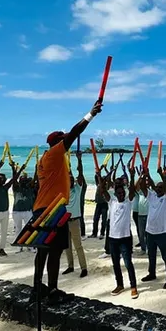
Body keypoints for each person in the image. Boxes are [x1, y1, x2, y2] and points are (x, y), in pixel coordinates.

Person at [32, 102, 102, 302]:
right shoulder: (54, 154)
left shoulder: (44, 160)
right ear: (57, 143)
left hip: (42, 207)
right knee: (54, 252)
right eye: (62, 140)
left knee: (43, 251)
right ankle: (52, 290)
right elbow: (74, 132)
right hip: (52, 209)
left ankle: (39, 287)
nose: (66, 142)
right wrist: (90, 115)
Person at [100, 168, 140, 299]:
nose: (121, 195)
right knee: (115, 264)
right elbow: (103, 190)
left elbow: (133, 190)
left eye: (123, 193)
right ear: (115, 194)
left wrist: (132, 176)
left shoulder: (128, 202)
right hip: (113, 238)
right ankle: (120, 285)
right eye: (119, 193)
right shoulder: (112, 202)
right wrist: (102, 178)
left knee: (128, 263)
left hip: (125, 238)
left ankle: (133, 286)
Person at [140, 166, 166, 289]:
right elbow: (143, 187)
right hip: (150, 231)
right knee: (151, 255)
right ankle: (152, 274)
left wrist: (162, 175)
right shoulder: (152, 195)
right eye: (158, 187)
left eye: (161, 187)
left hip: (162, 232)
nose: (159, 189)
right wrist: (144, 175)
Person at [0, 160, 23, 257]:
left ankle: (2, 249)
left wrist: (16, 169)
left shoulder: (5, 187)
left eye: (3, 178)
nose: (1, 180)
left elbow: (14, 178)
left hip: (5, 212)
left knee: (4, 232)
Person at [62, 154, 88, 277]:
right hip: (64, 221)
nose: (71, 181)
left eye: (73, 180)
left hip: (74, 221)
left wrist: (79, 160)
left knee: (78, 246)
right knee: (67, 246)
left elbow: (80, 174)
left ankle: (84, 268)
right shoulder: (64, 191)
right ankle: (70, 266)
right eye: (69, 180)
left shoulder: (77, 189)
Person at [12, 173, 36, 253]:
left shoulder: (30, 188)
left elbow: (34, 179)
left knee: (30, 229)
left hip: (27, 211)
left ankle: (30, 245)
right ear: (19, 181)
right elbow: (14, 179)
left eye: (25, 180)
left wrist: (37, 170)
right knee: (18, 229)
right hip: (17, 211)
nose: (23, 182)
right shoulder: (16, 188)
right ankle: (19, 246)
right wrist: (14, 170)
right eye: (22, 180)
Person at [92, 173, 109, 240]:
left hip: (104, 204)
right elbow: (96, 176)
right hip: (98, 204)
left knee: (104, 220)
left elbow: (109, 178)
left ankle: (102, 233)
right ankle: (94, 233)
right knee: (95, 219)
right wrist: (98, 172)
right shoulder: (98, 184)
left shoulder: (106, 186)